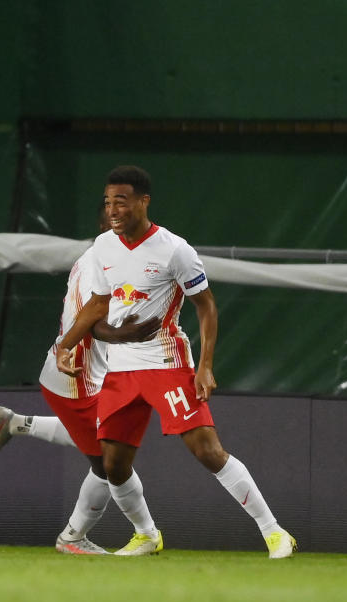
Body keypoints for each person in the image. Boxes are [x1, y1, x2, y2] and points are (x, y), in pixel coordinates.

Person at [55, 165, 296, 559]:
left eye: (122, 201)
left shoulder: (174, 249)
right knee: (112, 465)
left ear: (143, 201)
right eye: (108, 202)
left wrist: (205, 365)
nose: (113, 209)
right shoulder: (103, 247)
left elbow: (207, 307)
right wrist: (66, 346)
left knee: (207, 450)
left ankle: (275, 533)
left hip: (167, 363)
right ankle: (146, 534)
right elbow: (98, 305)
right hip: (119, 369)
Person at [0, 208, 163, 555]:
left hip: (80, 374)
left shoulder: (100, 259)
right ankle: (81, 537)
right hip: (74, 378)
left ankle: (15, 423)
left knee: (98, 439)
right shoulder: (99, 267)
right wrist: (126, 334)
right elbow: (93, 320)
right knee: (108, 463)